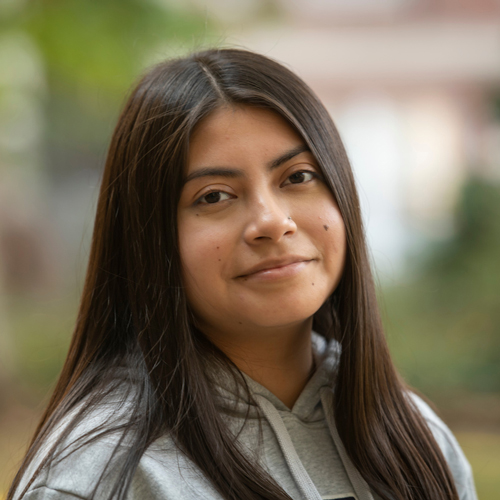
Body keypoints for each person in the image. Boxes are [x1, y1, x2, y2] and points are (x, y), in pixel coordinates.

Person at [8, 48, 477, 500]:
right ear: (149, 241)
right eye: (213, 196)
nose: (273, 221)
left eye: (297, 177)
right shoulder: (100, 476)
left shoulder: (417, 441)